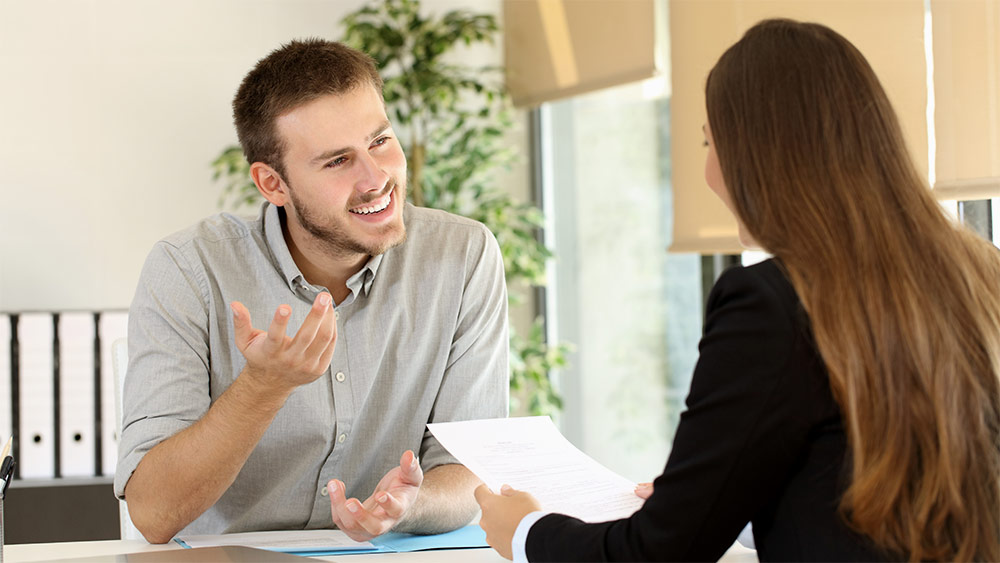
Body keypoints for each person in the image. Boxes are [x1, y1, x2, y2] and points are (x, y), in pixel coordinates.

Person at [476, 18, 1000, 562]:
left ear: (759, 152)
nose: (707, 170)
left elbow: (656, 554)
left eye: (711, 142)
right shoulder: (981, 276)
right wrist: (724, 497)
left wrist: (526, 530)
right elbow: (878, 496)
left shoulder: (772, 303)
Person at [114, 39, 509, 544]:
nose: (376, 179)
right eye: (338, 161)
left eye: (381, 141)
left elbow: (466, 471)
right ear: (272, 184)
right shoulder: (188, 270)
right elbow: (154, 512)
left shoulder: (463, 256)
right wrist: (263, 387)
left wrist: (409, 507)